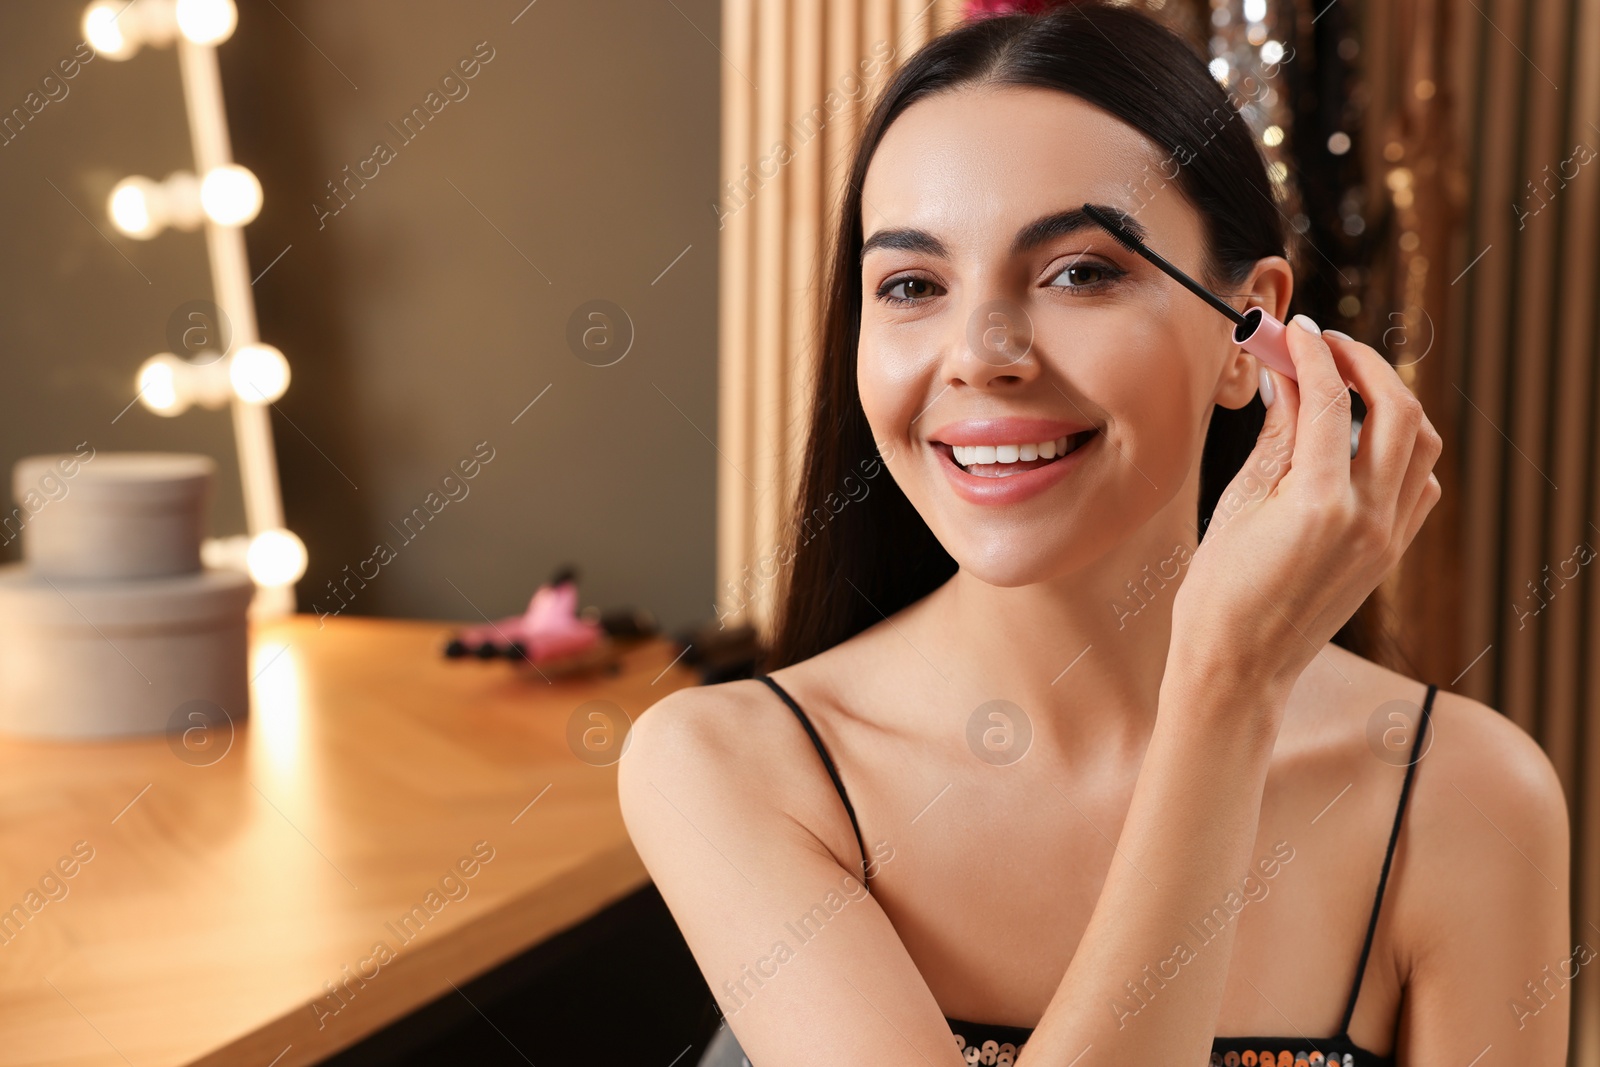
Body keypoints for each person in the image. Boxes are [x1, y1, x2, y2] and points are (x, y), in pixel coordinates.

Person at [620, 5, 1571, 1065]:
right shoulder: (731, 765)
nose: (981, 353)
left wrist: (1228, 680)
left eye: (1079, 271)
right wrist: (1226, 691)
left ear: (1244, 332)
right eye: (911, 284)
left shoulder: (1465, 797)